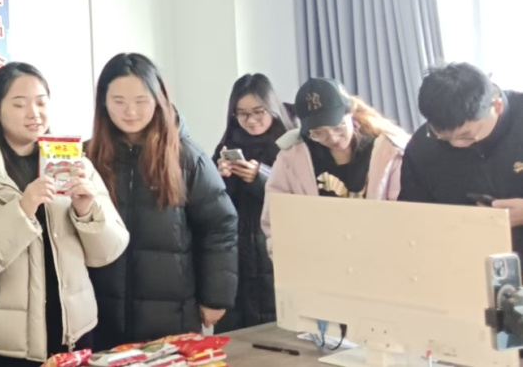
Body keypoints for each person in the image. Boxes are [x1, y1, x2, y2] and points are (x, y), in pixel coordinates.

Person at [0, 62, 129, 366]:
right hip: (3, 345)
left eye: (41, 103)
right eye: (20, 104)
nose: (34, 113)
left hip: (74, 333)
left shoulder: (75, 163)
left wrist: (86, 210)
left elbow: (109, 250)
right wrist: (23, 209)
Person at [84, 53, 239, 349]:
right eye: (118, 101)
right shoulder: (88, 158)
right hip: (101, 315)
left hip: (171, 317)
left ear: (158, 100)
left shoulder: (186, 157)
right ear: (103, 103)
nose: (130, 111)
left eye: (141, 100)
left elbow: (220, 226)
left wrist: (215, 298)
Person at [261, 78, 408, 246]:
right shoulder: (292, 158)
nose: (332, 138)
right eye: (318, 133)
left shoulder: (388, 152)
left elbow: (402, 215)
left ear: (351, 114)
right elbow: (276, 220)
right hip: (318, 254)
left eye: (338, 127)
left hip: (378, 250)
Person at [400, 63, 523, 256]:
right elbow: (412, 220)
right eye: (444, 138)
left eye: (467, 136)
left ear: (496, 106)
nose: (456, 145)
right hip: (466, 259)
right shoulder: (423, 147)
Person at [210, 74, 295, 332]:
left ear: (272, 108)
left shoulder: (292, 145)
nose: (251, 120)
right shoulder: (226, 145)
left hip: (275, 255)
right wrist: (220, 177)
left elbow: (297, 202)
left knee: (280, 336)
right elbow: (212, 208)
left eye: (258, 111)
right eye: (242, 114)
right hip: (236, 258)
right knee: (235, 341)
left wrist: (259, 177)